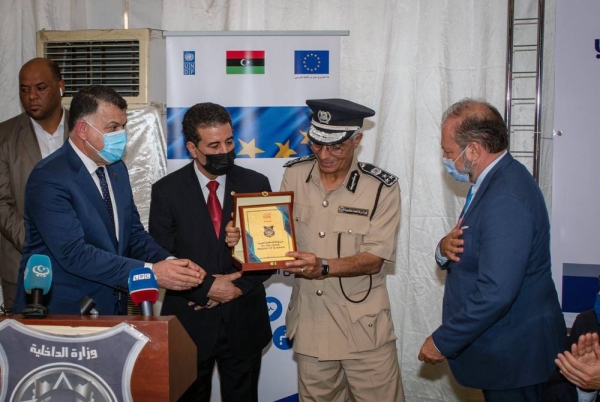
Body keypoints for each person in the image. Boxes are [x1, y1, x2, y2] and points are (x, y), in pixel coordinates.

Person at [418, 99, 566, 401]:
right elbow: (473, 249)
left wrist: (443, 341)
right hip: (504, 352)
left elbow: (496, 292)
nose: (446, 159)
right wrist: (442, 250)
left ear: (472, 150)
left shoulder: (505, 196)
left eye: (448, 151)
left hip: (515, 359)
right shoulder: (492, 182)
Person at [14, 85, 205, 315]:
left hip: (111, 309)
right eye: (113, 127)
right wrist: (151, 272)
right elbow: (74, 254)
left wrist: (172, 263)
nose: (121, 134)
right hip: (64, 312)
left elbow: (132, 234)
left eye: (123, 126)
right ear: (83, 129)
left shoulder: (116, 169)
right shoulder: (49, 177)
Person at [281, 98, 405, 401]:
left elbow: (375, 259)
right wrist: (244, 240)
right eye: (317, 144)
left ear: (357, 140)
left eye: (336, 146)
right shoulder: (294, 175)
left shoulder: (380, 188)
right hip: (311, 323)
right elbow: (279, 237)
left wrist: (322, 266)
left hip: (362, 329)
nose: (325, 155)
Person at [149, 102, 273, 402]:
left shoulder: (256, 184)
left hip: (243, 322)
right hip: (189, 324)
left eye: (229, 142)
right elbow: (160, 256)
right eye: (214, 145)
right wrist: (206, 290)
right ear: (193, 148)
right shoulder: (167, 191)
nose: (224, 151)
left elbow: (271, 255)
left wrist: (235, 289)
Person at [0, 58, 67, 307]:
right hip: (23, 268)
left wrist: (74, 249)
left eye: (40, 88)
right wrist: (37, 246)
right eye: (24, 89)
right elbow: (2, 203)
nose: (31, 96)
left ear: (61, 87)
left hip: (82, 268)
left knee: (79, 343)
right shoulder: (4, 137)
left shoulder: (84, 132)